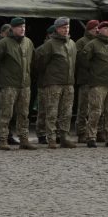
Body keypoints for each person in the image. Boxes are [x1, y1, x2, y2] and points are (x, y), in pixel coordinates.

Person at [0, 17, 36, 150]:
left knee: (24, 113)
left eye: (24, 26)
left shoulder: (28, 42)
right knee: (6, 113)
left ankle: (24, 139)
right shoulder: (4, 43)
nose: (22, 29)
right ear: (13, 28)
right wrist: (2, 79)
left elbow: (33, 61)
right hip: (8, 85)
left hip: (24, 85)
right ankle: (3, 139)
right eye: (19, 27)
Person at [34, 16, 78, 149]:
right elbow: (39, 64)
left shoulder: (72, 44)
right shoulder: (49, 44)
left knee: (66, 112)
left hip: (68, 83)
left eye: (68, 27)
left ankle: (64, 137)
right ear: (57, 29)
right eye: (63, 28)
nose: (66, 30)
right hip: (53, 84)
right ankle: (51, 138)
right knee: (52, 112)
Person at [82, 21, 108, 148]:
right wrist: (95, 73)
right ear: (99, 30)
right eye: (105, 28)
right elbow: (83, 61)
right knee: (95, 110)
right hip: (98, 83)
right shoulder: (92, 45)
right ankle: (91, 137)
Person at [74, 19, 100, 144]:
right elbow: (79, 60)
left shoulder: (100, 42)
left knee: (97, 108)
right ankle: (81, 132)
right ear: (89, 30)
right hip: (86, 79)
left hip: (98, 80)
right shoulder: (81, 42)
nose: (97, 30)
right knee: (83, 108)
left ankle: (96, 132)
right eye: (94, 28)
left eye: (98, 28)